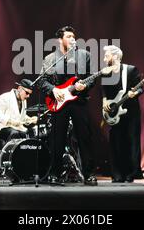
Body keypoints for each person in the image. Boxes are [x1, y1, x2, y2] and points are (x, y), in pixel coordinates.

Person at [38, 26, 98, 186]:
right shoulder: (51, 59)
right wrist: (53, 89)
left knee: (84, 138)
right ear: (60, 40)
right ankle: (54, 173)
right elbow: (42, 80)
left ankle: (89, 173)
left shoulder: (84, 55)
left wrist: (85, 86)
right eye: (69, 36)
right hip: (59, 103)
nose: (73, 39)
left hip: (79, 101)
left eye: (74, 36)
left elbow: (93, 76)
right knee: (56, 140)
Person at [101, 45, 144, 183]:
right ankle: (117, 174)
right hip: (114, 113)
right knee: (116, 143)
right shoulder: (106, 73)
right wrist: (104, 101)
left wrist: (134, 93)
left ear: (115, 56)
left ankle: (131, 173)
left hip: (131, 112)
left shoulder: (130, 70)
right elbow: (104, 90)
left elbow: (141, 88)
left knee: (131, 141)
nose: (104, 58)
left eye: (106, 55)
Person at [0, 79, 38, 150]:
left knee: (29, 135)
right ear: (19, 88)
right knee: (15, 133)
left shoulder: (23, 100)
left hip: (17, 130)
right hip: (4, 129)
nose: (28, 96)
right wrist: (11, 122)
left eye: (29, 94)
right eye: (27, 93)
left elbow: (20, 117)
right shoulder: (5, 97)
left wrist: (30, 119)